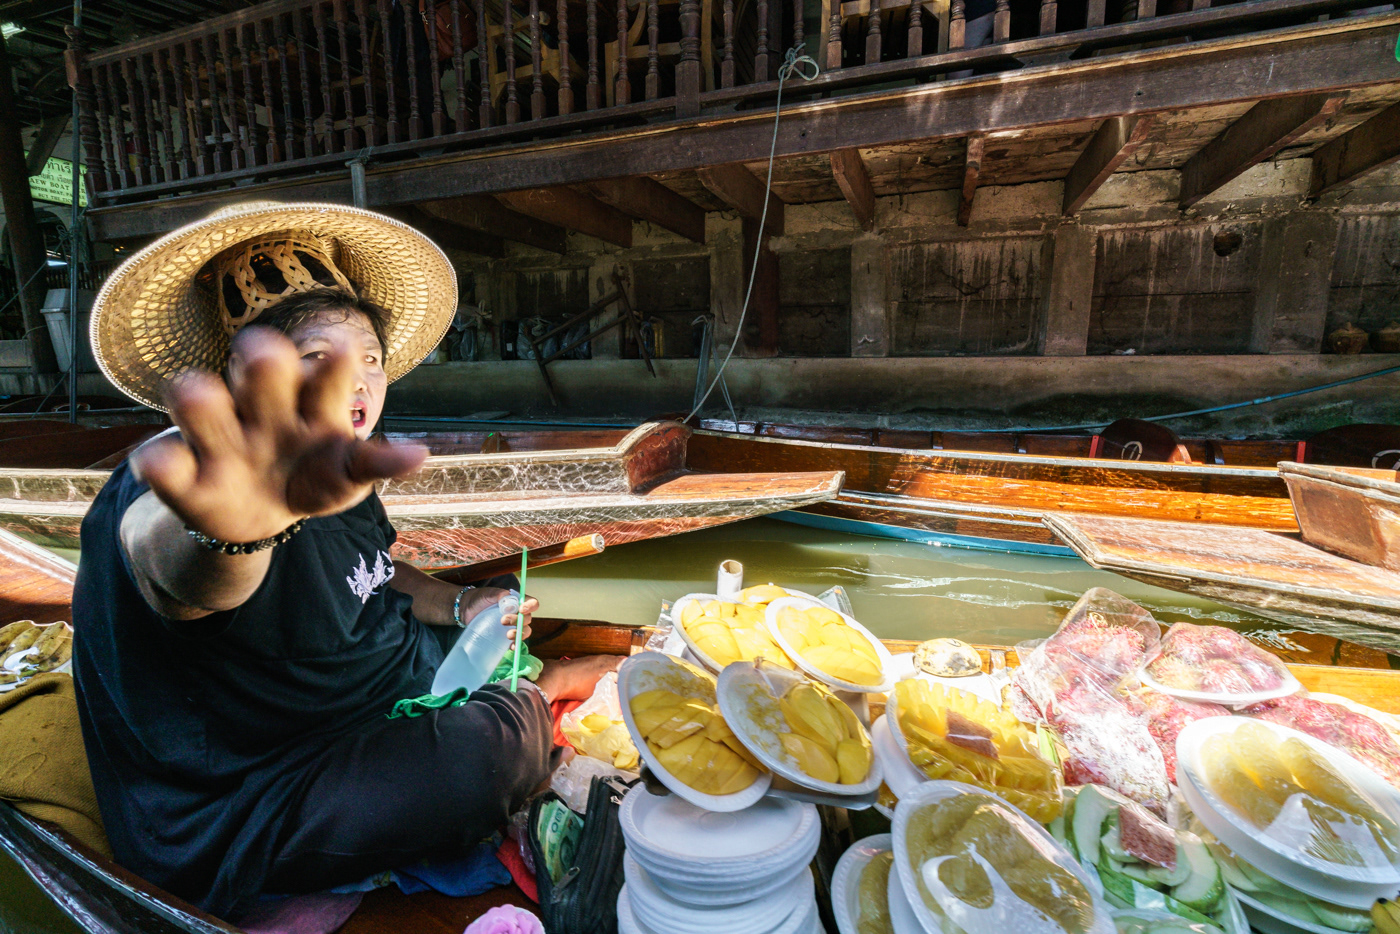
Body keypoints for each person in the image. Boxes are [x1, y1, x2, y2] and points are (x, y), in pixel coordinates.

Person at [72, 202, 621, 920]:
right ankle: (538, 695)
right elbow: (174, 570)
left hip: (372, 695)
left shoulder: (340, 466)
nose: (357, 380)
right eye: (315, 359)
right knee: (482, 761)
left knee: (488, 652)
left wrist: (461, 604)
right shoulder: (181, 481)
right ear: (241, 381)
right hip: (261, 788)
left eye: (369, 356)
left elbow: (375, 566)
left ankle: (520, 694)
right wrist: (234, 532)